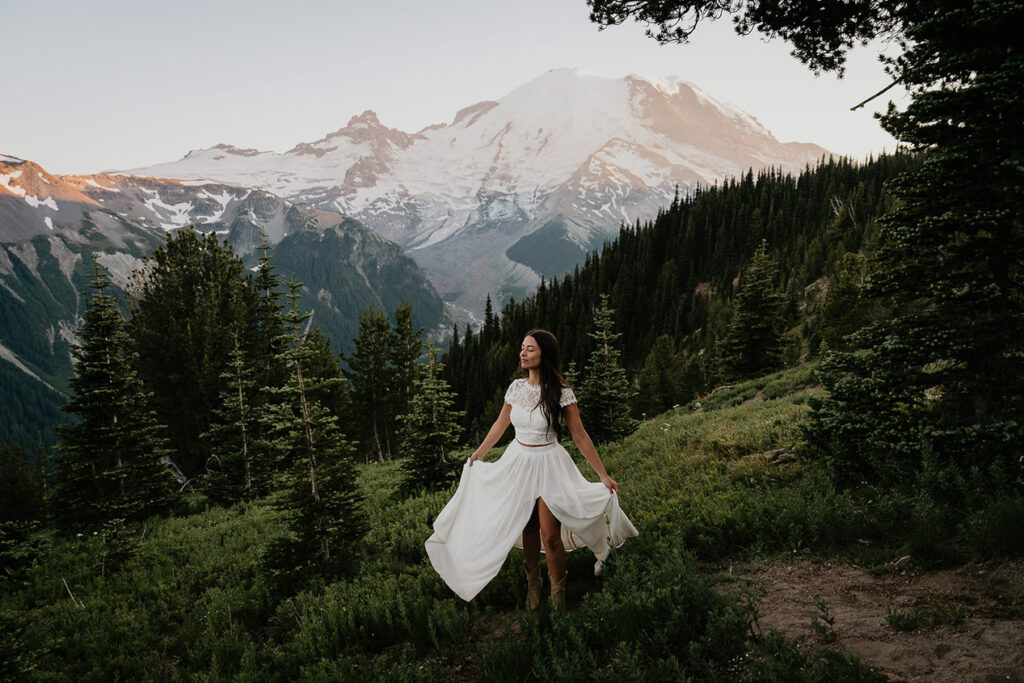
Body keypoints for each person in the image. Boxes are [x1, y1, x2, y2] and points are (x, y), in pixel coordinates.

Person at [425, 329, 638, 608]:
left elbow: (579, 435)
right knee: (527, 527)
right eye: (522, 348)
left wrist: (603, 475)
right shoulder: (516, 388)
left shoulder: (562, 392)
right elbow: (500, 425)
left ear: (545, 354)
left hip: (549, 465)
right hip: (518, 463)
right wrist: (478, 454)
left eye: (530, 349)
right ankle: (533, 585)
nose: (523, 353)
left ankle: (558, 593)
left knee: (550, 536)